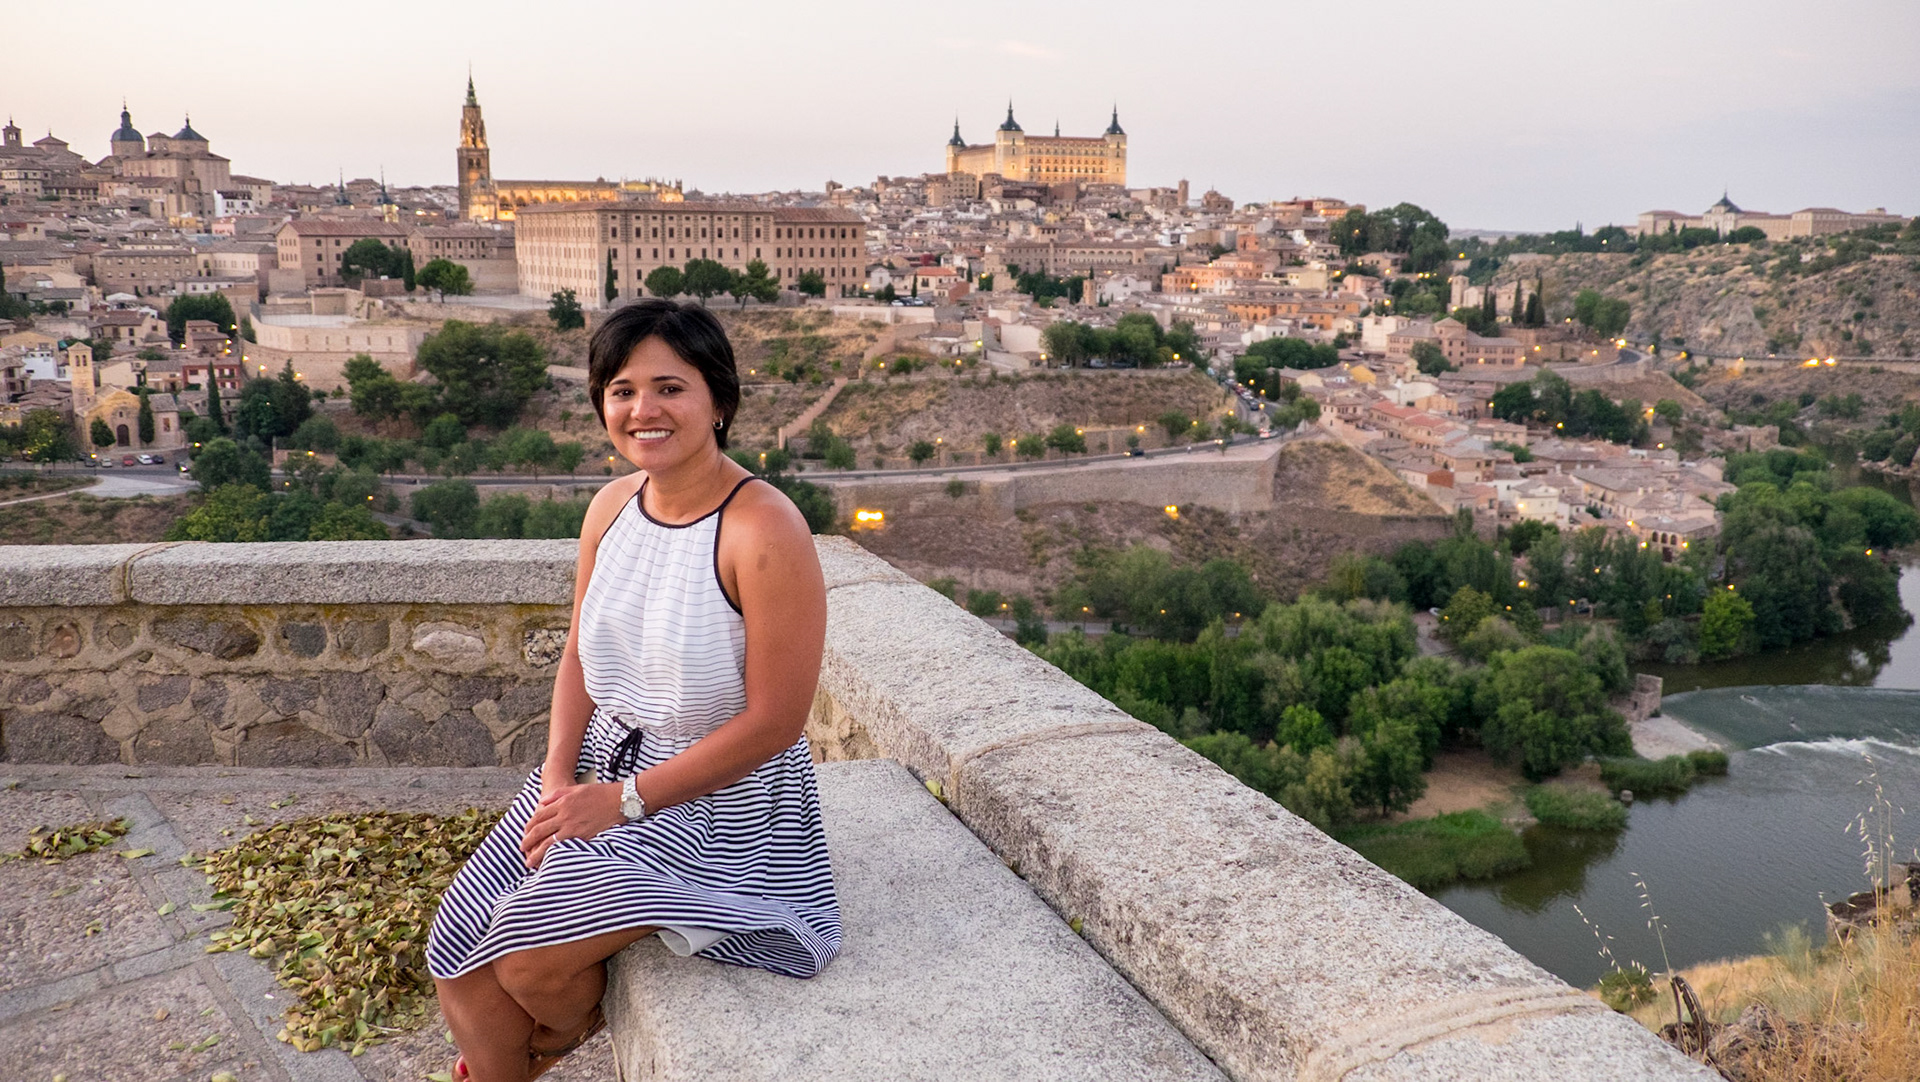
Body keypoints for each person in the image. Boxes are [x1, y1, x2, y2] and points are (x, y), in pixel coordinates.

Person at [426, 299, 839, 1081]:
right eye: (621, 389)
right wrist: (556, 776)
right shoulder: (611, 506)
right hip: (597, 767)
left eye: (670, 388)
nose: (643, 409)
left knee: (527, 968)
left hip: (715, 800)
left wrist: (622, 803)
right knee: (457, 961)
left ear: (718, 400)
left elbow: (777, 721)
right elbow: (580, 653)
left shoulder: (762, 528)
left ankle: (549, 1044)